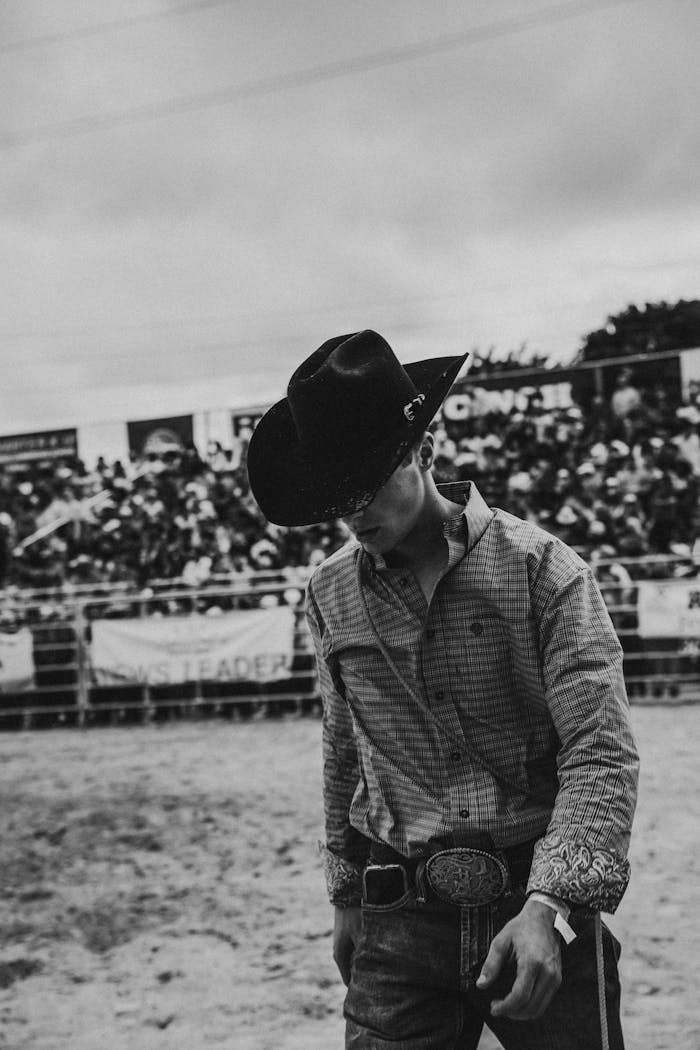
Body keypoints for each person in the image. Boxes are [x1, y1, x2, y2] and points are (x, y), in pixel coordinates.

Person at [247, 330, 639, 1050]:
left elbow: (601, 755)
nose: (355, 511)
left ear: (425, 452)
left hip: (536, 899)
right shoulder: (329, 592)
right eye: (338, 496)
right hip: (398, 913)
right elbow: (344, 750)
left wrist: (549, 908)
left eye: (368, 483)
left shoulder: (546, 573)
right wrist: (345, 896)